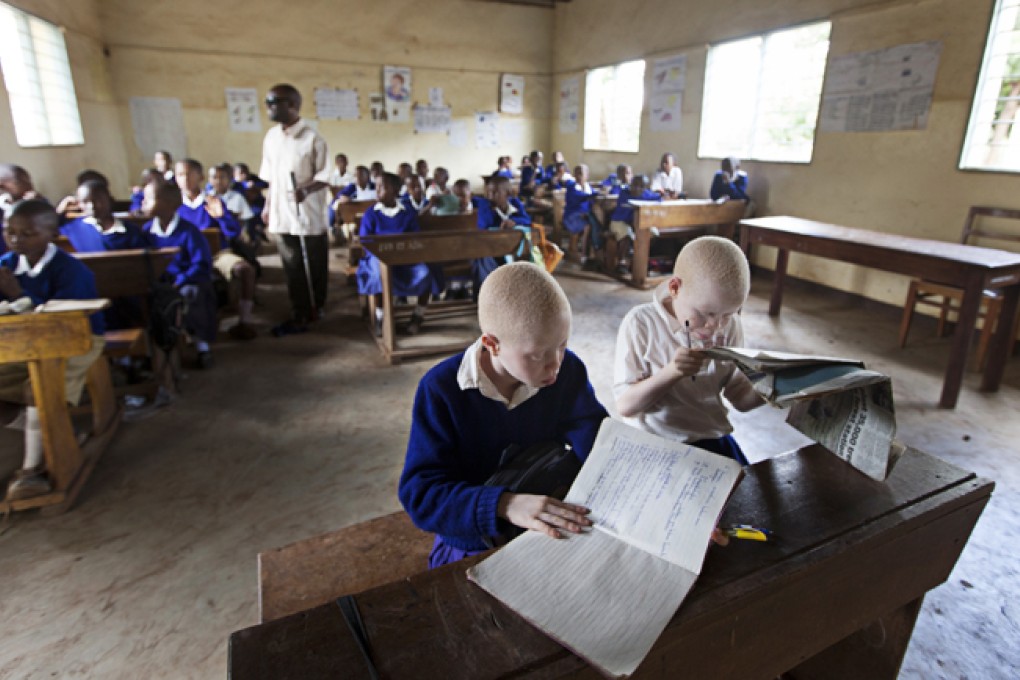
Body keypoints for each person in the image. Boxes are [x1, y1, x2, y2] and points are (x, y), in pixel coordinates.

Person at [398, 262, 608, 568]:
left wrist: (612, 462)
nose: (556, 366)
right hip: (478, 534)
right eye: (538, 355)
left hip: (548, 511)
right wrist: (502, 504)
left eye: (562, 345)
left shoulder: (567, 370)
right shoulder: (442, 390)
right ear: (492, 344)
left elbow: (594, 433)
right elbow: (422, 495)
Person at [613, 236, 765, 465]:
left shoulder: (730, 325)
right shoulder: (641, 323)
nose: (715, 326)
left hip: (710, 437)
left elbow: (740, 399)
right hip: (655, 442)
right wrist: (672, 372)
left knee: (753, 494)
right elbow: (626, 406)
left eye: (728, 314)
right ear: (674, 287)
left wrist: (776, 389)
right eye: (705, 313)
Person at [0, 200, 106, 500]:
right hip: (23, 342)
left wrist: (19, 295)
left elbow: (67, 323)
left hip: (77, 341)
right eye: (10, 232)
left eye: (28, 233)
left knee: (38, 389)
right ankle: (59, 434)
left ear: (51, 233)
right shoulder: (6, 265)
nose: (17, 239)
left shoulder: (72, 270)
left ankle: (32, 470)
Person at [260, 83, 332, 335]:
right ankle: (298, 308)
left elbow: (325, 175)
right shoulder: (271, 137)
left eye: (274, 102)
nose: (268, 107)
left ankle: (317, 304)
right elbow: (270, 177)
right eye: (267, 102)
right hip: (281, 213)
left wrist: (306, 189)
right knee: (291, 265)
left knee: (314, 264)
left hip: (307, 214)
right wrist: (268, 205)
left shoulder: (312, 139)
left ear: (292, 105)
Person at [176, 159, 257, 341]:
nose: (185, 179)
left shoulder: (212, 201)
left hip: (217, 255)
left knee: (246, 270)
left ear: (201, 177)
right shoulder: (173, 206)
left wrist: (221, 217)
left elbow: (233, 232)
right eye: (180, 175)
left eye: (190, 174)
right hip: (186, 259)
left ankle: (244, 321)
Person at [141, 180, 218, 368]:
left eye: (148, 199)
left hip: (188, 280)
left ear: (168, 203)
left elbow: (201, 264)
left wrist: (181, 280)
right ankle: (152, 350)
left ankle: (202, 346)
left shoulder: (189, 232)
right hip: (160, 283)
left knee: (191, 295)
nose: (142, 203)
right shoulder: (146, 232)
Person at [356, 172, 439, 336]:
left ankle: (418, 315)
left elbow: (415, 239)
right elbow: (365, 241)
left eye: (383, 187)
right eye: (377, 187)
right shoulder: (371, 213)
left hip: (405, 258)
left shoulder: (407, 212)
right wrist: (382, 253)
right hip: (378, 257)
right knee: (378, 273)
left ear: (395, 191)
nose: (377, 190)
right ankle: (381, 317)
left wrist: (403, 252)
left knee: (426, 272)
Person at [606, 174, 660, 273]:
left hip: (638, 223)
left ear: (645, 188)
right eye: (634, 185)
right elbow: (626, 214)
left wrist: (663, 195)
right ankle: (622, 262)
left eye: (641, 186)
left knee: (653, 232)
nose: (637, 188)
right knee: (627, 233)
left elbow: (658, 198)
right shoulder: (624, 193)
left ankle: (640, 259)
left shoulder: (647, 194)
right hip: (620, 221)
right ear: (630, 184)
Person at [0, 165, 47, 256]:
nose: (29, 185)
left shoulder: (38, 202)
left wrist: (37, 204)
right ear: (2, 185)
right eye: (19, 182)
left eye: (28, 181)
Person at [562, 164, 602, 263]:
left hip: (584, 215)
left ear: (587, 175)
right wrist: (594, 195)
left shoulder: (588, 187)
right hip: (571, 215)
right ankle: (582, 253)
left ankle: (592, 253)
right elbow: (579, 197)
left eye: (581, 173)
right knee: (587, 226)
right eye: (577, 173)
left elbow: (592, 199)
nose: (579, 176)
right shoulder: (571, 185)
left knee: (596, 223)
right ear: (574, 174)